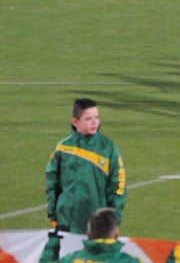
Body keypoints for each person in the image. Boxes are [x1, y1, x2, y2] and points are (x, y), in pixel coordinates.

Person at [41, 99, 126, 263]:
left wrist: (114, 219)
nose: (95, 122)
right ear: (75, 122)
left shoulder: (108, 148)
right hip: (66, 220)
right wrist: (53, 213)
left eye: (97, 117)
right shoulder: (62, 148)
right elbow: (52, 183)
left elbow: (118, 187)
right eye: (88, 119)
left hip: (96, 223)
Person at [56, 208, 180, 263]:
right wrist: (178, 253)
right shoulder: (128, 261)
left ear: (89, 234)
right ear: (116, 234)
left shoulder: (68, 260)